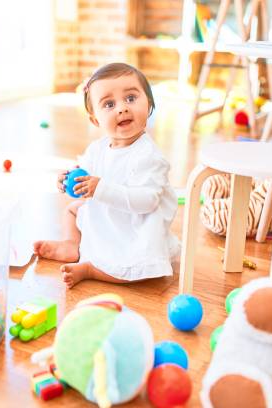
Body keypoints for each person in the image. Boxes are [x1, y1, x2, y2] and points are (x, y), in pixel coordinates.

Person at [33, 62, 179, 288]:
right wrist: (67, 178)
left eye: (130, 98)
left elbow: (148, 202)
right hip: (107, 212)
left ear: (149, 104)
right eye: (109, 104)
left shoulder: (148, 156)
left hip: (135, 222)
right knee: (71, 210)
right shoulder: (98, 148)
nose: (122, 108)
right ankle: (72, 244)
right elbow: (83, 173)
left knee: (135, 267)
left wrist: (100, 188)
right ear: (95, 119)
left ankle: (92, 269)